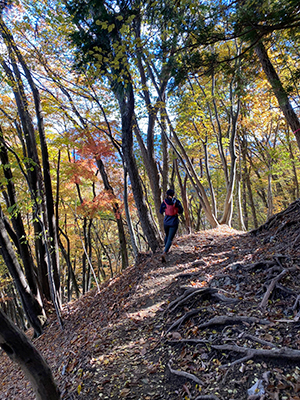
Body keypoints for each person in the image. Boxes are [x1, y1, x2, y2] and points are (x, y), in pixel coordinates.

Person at [159, 189, 183, 262]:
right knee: (170, 238)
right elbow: (181, 210)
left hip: (166, 221)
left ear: (167, 194)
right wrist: (176, 211)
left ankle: (166, 248)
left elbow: (160, 211)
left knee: (167, 235)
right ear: (173, 194)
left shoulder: (164, 202)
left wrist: (166, 211)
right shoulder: (177, 202)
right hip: (174, 221)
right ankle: (165, 252)